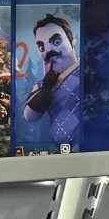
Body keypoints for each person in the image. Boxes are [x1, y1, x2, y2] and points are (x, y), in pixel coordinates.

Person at [23, 14, 81, 147]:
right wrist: (47, 88)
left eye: (56, 42)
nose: (48, 51)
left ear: (72, 41)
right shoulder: (42, 85)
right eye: (42, 47)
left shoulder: (87, 69)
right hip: (62, 151)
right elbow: (29, 116)